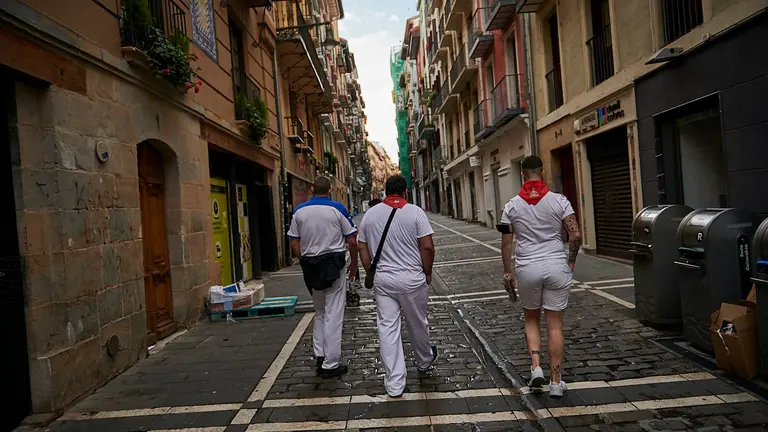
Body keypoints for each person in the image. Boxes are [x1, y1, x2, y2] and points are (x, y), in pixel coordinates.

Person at [498, 155, 582, 397]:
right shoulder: (560, 201)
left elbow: (506, 243)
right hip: (556, 265)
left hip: (527, 268)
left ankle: (536, 369)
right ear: (542, 173)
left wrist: (507, 271)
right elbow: (574, 235)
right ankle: (556, 382)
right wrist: (571, 260)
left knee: (531, 319)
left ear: (522, 175)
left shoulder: (511, 206)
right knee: (555, 325)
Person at [358, 175, 438, 397]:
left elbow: (361, 246)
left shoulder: (370, 215)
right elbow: (427, 246)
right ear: (405, 192)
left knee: (387, 328)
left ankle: (394, 383)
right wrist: (428, 271)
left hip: (383, 280)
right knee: (418, 323)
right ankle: (423, 361)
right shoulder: (415, 212)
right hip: (412, 278)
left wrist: (369, 271)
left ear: (385, 191)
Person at [288, 176, 359, 378]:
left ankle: (320, 354)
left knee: (319, 311)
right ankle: (331, 363)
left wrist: (304, 261)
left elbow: (294, 244)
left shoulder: (299, 212)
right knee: (334, 313)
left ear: (311, 188)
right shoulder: (337, 209)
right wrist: (353, 264)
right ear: (330, 190)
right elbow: (352, 241)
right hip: (333, 265)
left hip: (310, 265)